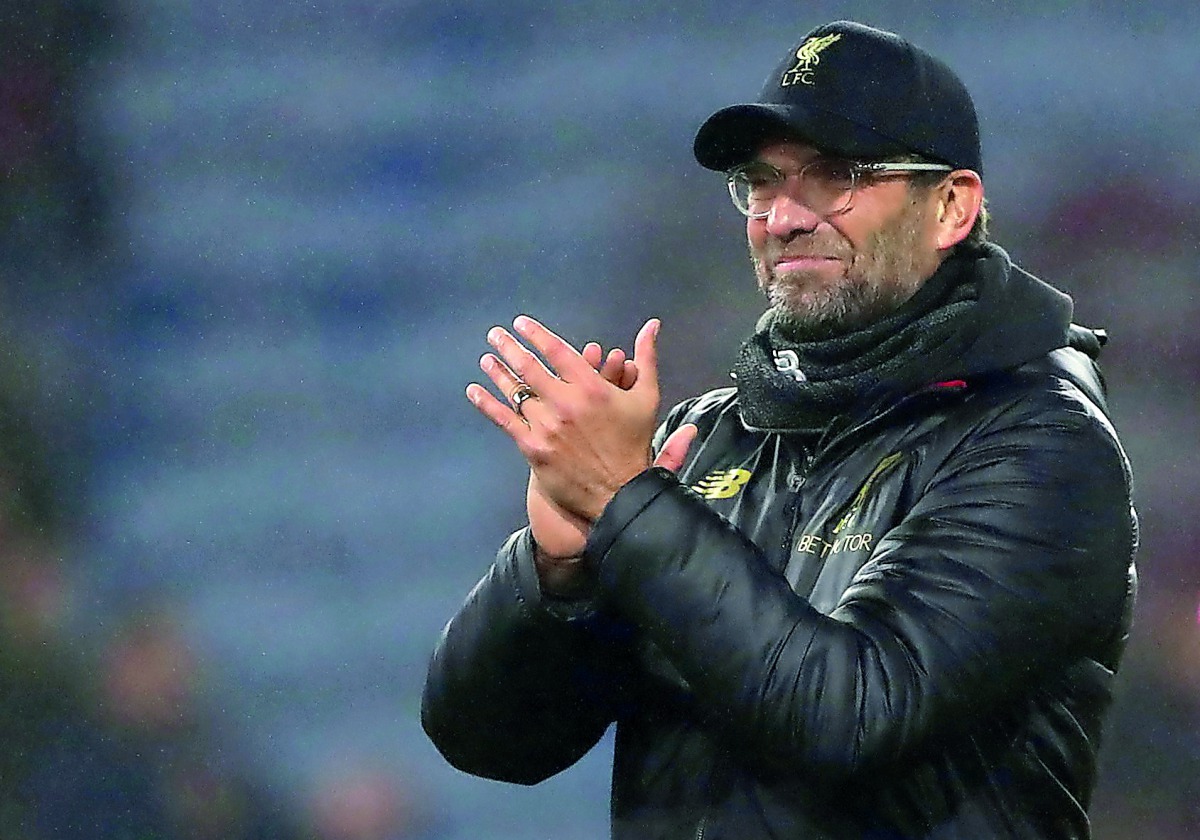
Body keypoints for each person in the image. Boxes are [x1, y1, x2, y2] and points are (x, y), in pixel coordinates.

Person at [421, 19, 1138, 840]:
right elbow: (491, 742)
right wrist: (557, 571)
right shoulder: (709, 439)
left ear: (950, 206)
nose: (784, 216)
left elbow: (854, 715)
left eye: (836, 176)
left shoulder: (1039, 446)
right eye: (761, 182)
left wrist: (629, 503)